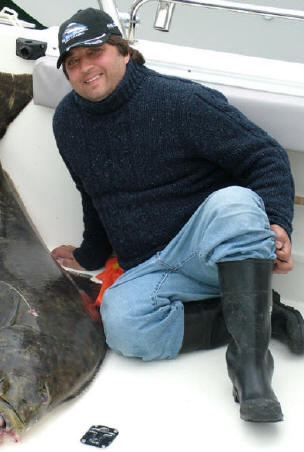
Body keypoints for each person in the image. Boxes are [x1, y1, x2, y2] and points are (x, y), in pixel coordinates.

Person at [51, 8, 300, 423]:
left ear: (124, 52)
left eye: (94, 53)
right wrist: (90, 255)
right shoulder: (66, 121)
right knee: (122, 327)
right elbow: (91, 194)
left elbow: (266, 156)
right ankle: (264, 316)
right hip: (153, 265)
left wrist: (277, 223)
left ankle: (252, 368)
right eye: (72, 62)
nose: (84, 68)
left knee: (235, 202)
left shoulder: (180, 101)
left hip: (211, 247)